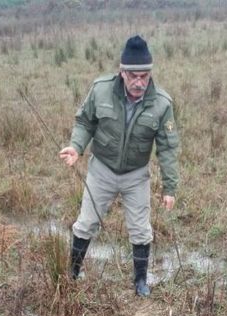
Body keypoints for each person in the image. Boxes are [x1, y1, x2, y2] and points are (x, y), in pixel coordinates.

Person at [59, 35, 179, 297]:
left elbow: (167, 147)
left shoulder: (161, 103)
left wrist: (169, 187)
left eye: (144, 77)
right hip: (101, 169)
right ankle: (73, 272)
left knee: (141, 230)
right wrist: (77, 147)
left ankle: (140, 282)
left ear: (150, 74)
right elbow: (85, 122)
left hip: (136, 175)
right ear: (122, 72)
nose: (139, 83)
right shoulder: (101, 89)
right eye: (133, 76)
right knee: (86, 223)